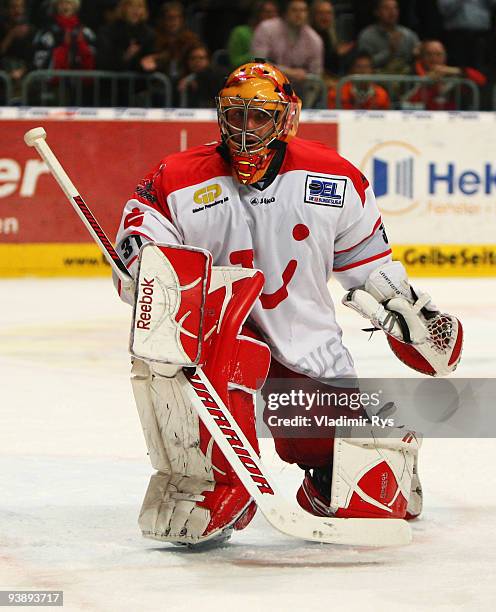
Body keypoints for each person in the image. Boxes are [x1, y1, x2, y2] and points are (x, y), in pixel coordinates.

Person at [114, 61, 462, 546]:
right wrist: (138, 262)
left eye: (260, 116)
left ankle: (379, 457)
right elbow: (140, 240)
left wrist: (405, 311)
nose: (246, 128)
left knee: (354, 491)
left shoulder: (334, 177)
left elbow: (366, 264)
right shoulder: (176, 177)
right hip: (216, 333)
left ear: (285, 118)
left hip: (304, 339)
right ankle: (215, 483)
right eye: (235, 115)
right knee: (220, 354)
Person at [251, 0, 324, 85]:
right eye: (294, 10)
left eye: (303, 10)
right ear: (285, 12)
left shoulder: (315, 39)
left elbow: (315, 77)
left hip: (298, 90)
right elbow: (257, 62)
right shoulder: (266, 29)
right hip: (265, 84)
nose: (299, 14)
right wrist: (289, 72)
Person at [406, 39, 486, 110]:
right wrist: (428, 83)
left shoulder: (453, 76)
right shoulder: (413, 75)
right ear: (422, 57)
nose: (434, 59)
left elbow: (481, 80)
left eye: (438, 54)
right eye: (429, 54)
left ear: (445, 56)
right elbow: (408, 103)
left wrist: (454, 71)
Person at [139, 1, 202, 80]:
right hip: (159, 85)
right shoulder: (154, 40)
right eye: (169, 17)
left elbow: (201, 62)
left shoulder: (191, 40)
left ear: (182, 20)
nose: (173, 21)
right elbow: (145, 63)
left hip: (185, 85)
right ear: (163, 20)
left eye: (176, 17)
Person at [357, 0, 419, 74]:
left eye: (395, 8)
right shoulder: (367, 35)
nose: (392, 12)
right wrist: (389, 52)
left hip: (405, 80)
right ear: (377, 12)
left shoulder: (409, 35)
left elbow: (416, 58)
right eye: (386, 8)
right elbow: (365, 64)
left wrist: (418, 54)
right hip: (376, 80)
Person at [32, 0, 95, 71]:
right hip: (53, 79)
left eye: (68, 3)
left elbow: (94, 58)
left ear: (75, 6)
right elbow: (39, 61)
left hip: (80, 79)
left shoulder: (85, 32)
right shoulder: (48, 32)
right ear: (56, 7)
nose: (65, 6)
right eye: (61, 3)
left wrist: (82, 47)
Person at [96, 0, 155, 73]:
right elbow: (103, 62)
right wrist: (125, 57)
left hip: (139, 83)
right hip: (113, 82)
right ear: (123, 8)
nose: (135, 10)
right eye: (131, 5)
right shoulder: (108, 31)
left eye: (140, 6)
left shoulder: (148, 34)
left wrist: (147, 64)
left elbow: (150, 60)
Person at [227, 0, 279, 69]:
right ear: (257, 14)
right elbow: (234, 61)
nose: (272, 16)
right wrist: (257, 54)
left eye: (275, 12)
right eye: (267, 12)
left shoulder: (278, 34)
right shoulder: (240, 32)